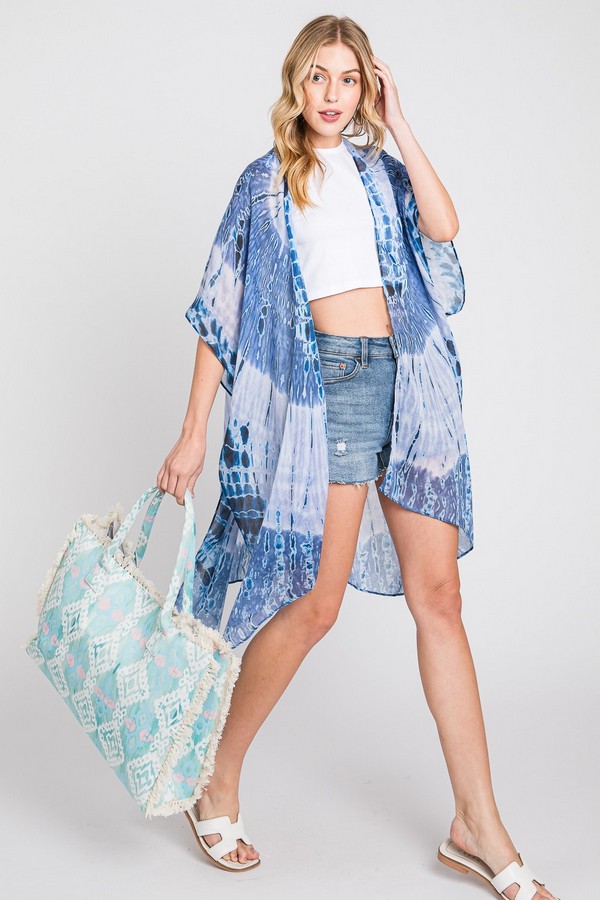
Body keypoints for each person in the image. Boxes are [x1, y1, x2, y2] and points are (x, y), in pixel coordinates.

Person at [156, 14, 560, 899]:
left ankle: (476, 826)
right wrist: (193, 431)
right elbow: (220, 308)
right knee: (316, 604)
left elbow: (444, 225)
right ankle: (215, 775)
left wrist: (400, 121)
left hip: (408, 383)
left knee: (441, 599)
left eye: (349, 79)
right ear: (295, 84)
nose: (333, 95)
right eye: (318, 77)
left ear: (367, 87)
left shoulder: (381, 168)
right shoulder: (265, 183)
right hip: (323, 392)